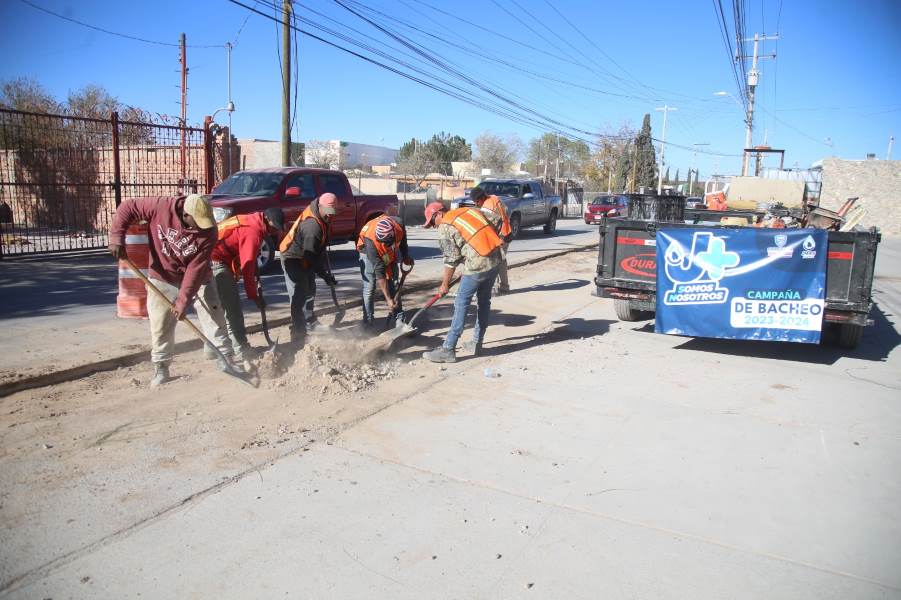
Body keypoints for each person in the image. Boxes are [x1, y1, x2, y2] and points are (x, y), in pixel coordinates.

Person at [108, 194, 244, 387]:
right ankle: (161, 367)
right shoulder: (160, 207)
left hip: (198, 276)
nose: (201, 227)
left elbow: (195, 270)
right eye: (197, 222)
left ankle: (225, 357)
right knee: (160, 323)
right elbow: (127, 207)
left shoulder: (209, 231)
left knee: (213, 313)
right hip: (162, 274)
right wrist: (116, 237)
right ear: (186, 214)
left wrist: (182, 301)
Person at [421, 201, 504, 363]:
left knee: (461, 303)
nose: (433, 226)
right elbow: (496, 219)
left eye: (432, 222)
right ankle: (477, 343)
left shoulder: (445, 226)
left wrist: (444, 284)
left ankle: (448, 349)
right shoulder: (468, 211)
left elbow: (450, 260)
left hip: (477, 266)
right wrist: (477, 248)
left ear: (439, 214)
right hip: (495, 259)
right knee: (484, 301)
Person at [210, 207, 285, 358]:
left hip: (214, 258)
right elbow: (247, 267)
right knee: (233, 309)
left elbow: (248, 255)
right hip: (216, 261)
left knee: (217, 308)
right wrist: (254, 296)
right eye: (273, 227)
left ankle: (212, 350)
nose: (273, 232)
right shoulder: (253, 232)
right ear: (267, 221)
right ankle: (241, 350)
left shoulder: (252, 219)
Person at [279, 193, 338, 346]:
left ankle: (309, 321)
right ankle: (298, 333)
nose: (331, 217)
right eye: (329, 213)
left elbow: (316, 252)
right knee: (299, 294)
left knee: (310, 289)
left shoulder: (322, 216)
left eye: (333, 213)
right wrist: (324, 275)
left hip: (305, 254)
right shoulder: (312, 226)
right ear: (320, 207)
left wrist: (323, 275)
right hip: (293, 257)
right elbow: (310, 258)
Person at [357, 215, 414, 331]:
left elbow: (402, 240)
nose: (384, 244)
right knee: (370, 286)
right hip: (367, 252)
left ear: (393, 233)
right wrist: (388, 299)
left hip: (388, 253)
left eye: (386, 242)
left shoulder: (398, 224)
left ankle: (399, 319)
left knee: (394, 282)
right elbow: (380, 273)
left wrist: (405, 255)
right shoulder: (371, 242)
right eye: (382, 242)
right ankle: (368, 321)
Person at [470, 186, 513, 295]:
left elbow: (488, 227)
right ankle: (504, 287)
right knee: (501, 261)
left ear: (480, 199)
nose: (476, 205)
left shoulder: (487, 208)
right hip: (507, 233)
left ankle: (492, 289)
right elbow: (506, 210)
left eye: (476, 202)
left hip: (499, 238)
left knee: (493, 263)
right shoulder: (495, 198)